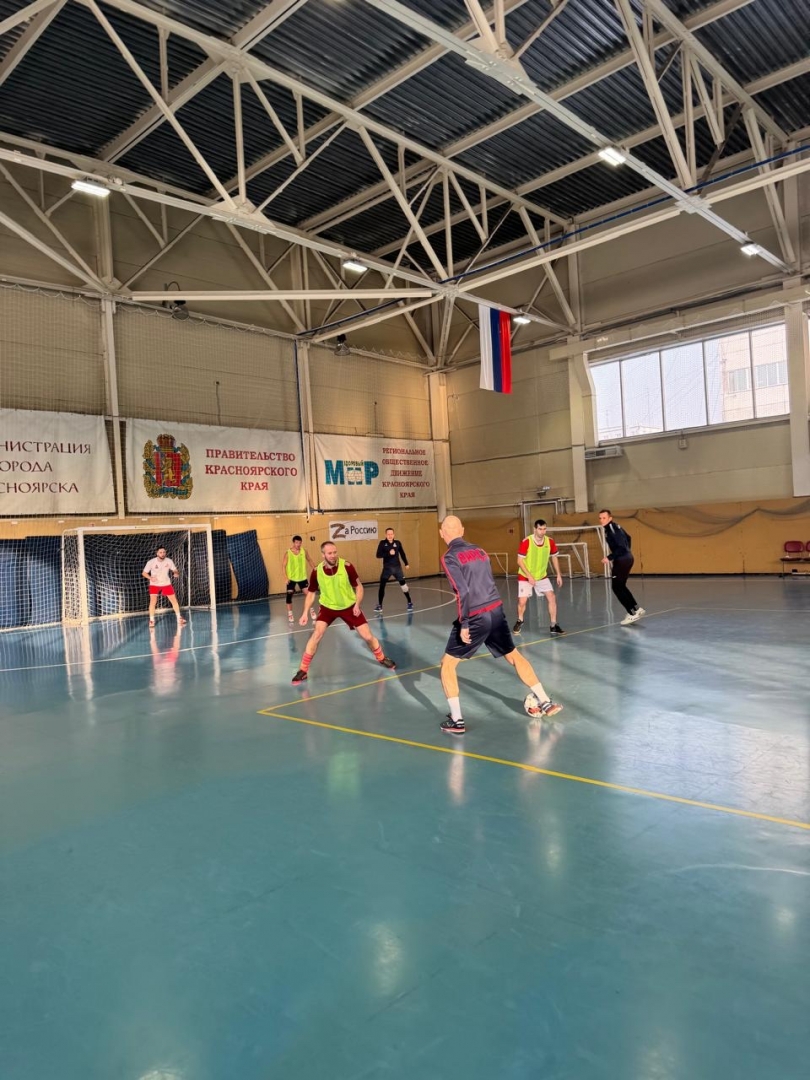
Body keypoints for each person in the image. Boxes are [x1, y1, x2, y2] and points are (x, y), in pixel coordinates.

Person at [438, 515, 562, 735]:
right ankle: (545, 701)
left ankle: (456, 720)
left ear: (442, 533)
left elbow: (462, 591)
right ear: (463, 530)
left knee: (447, 664)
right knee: (513, 655)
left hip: (475, 615)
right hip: (495, 609)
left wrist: (464, 623)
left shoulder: (449, 557)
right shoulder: (480, 551)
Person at [292, 541, 396, 684]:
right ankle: (303, 670)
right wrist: (305, 612)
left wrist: (357, 604)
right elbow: (311, 593)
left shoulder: (347, 566)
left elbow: (359, 587)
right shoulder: (317, 571)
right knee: (316, 634)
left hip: (349, 606)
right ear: (323, 555)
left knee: (367, 636)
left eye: (335, 552)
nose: (333, 555)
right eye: (329, 553)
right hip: (328, 608)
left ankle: (381, 658)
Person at [513, 519, 565, 636]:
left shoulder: (550, 542)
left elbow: (554, 557)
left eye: (544, 529)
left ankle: (553, 625)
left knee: (552, 597)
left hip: (541, 576)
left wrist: (558, 574)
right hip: (525, 576)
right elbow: (519, 561)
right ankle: (520, 620)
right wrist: (529, 576)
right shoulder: (527, 541)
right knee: (522, 601)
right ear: (535, 529)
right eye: (540, 529)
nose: (542, 531)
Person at [598, 509, 645, 625]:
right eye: (600, 518)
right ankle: (637, 609)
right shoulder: (615, 527)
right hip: (627, 558)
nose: (601, 520)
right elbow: (629, 538)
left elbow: (621, 547)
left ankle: (632, 614)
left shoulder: (612, 529)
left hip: (622, 560)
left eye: (604, 518)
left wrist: (609, 557)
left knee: (616, 588)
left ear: (610, 518)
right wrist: (627, 552)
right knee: (621, 586)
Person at [142, 546, 186, 627]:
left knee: (174, 601)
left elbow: (175, 570)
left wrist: (176, 573)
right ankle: (151, 620)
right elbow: (144, 573)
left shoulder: (169, 561)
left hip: (166, 584)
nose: (163, 554)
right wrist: (151, 578)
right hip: (154, 585)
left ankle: (179, 618)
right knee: (153, 602)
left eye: (164, 552)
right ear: (157, 553)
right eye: (161, 552)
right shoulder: (151, 562)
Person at [374, 527, 414, 613]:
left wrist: (406, 563)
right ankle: (380, 605)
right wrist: (388, 553)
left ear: (394, 534)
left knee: (404, 586)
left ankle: (409, 602)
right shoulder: (382, 543)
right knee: (382, 586)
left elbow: (402, 553)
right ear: (385, 535)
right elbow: (378, 555)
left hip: (397, 568)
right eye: (388, 534)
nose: (390, 536)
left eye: (391, 534)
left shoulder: (397, 543)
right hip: (387, 569)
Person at [282, 535, 316, 624]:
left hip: (302, 578)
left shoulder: (304, 551)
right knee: (289, 596)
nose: (298, 544)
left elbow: (309, 560)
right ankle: (290, 614)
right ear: (293, 543)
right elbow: (283, 566)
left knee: (308, 595)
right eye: (296, 542)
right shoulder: (288, 553)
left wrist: (315, 569)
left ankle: (311, 610)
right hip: (291, 579)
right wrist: (285, 577)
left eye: (300, 543)